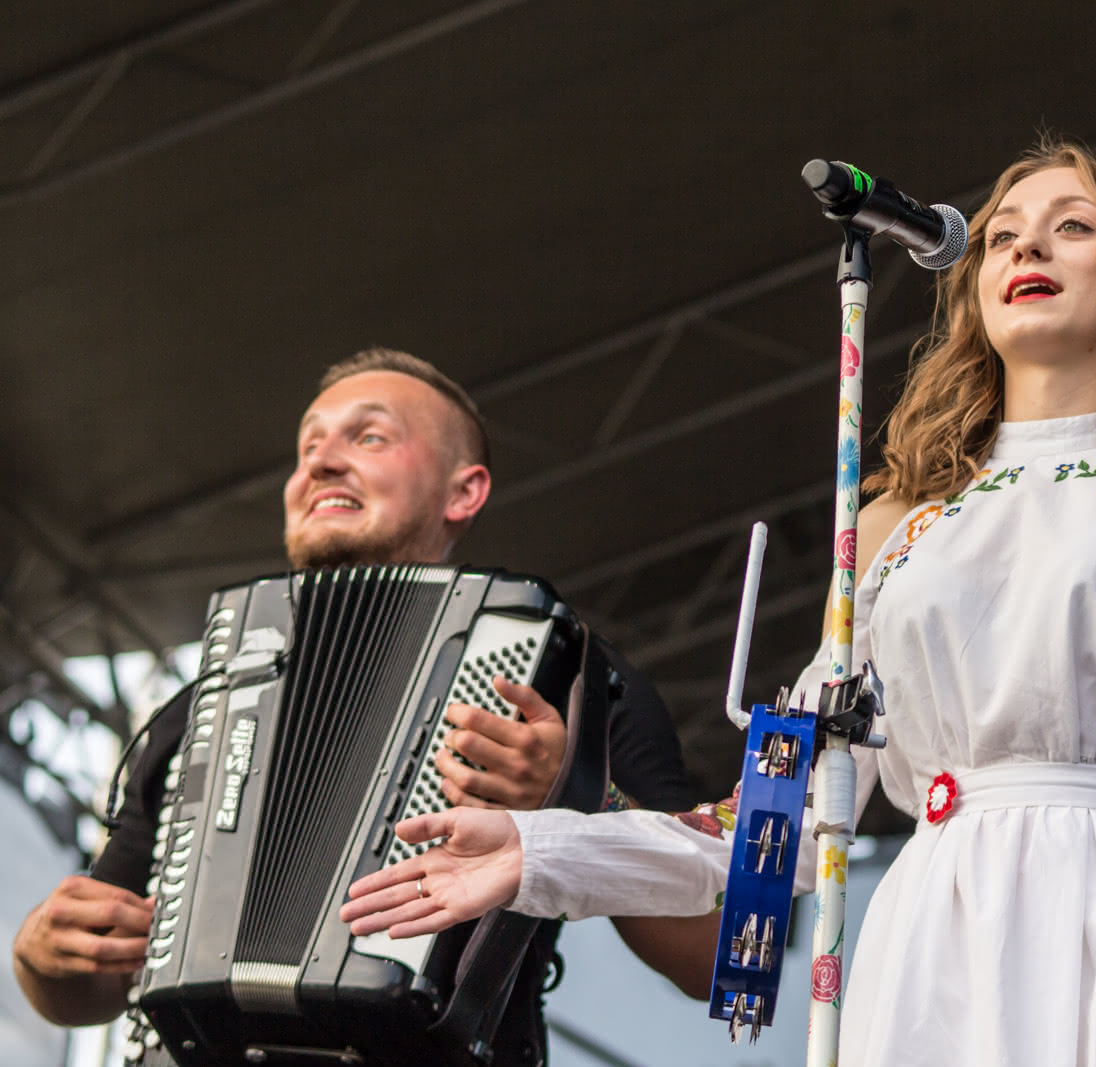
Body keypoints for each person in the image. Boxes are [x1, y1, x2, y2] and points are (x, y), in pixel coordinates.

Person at [339, 143, 1096, 1066]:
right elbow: (777, 812)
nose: (1023, 249)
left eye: (1068, 227)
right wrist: (542, 851)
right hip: (941, 932)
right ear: (968, 285)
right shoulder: (890, 523)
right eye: (1000, 232)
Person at [10, 348, 700, 1065]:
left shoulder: (568, 678)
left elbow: (709, 957)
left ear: (463, 493)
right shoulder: (205, 702)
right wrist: (39, 958)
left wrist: (582, 800)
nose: (321, 463)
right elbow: (85, 983)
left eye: (368, 437)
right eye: (308, 446)